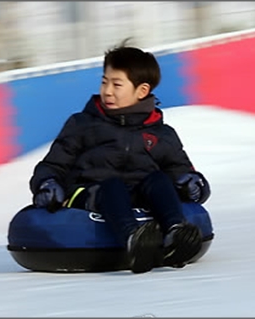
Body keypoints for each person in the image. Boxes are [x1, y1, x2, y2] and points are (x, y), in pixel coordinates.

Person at [28, 40, 211, 274]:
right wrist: (47, 183)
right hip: (90, 194)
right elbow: (54, 163)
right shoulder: (83, 124)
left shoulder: (160, 133)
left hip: (137, 196)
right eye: (104, 82)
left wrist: (193, 184)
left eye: (117, 84)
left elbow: (180, 169)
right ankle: (133, 239)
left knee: (158, 180)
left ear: (141, 91)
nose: (107, 91)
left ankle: (176, 233)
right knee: (112, 186)